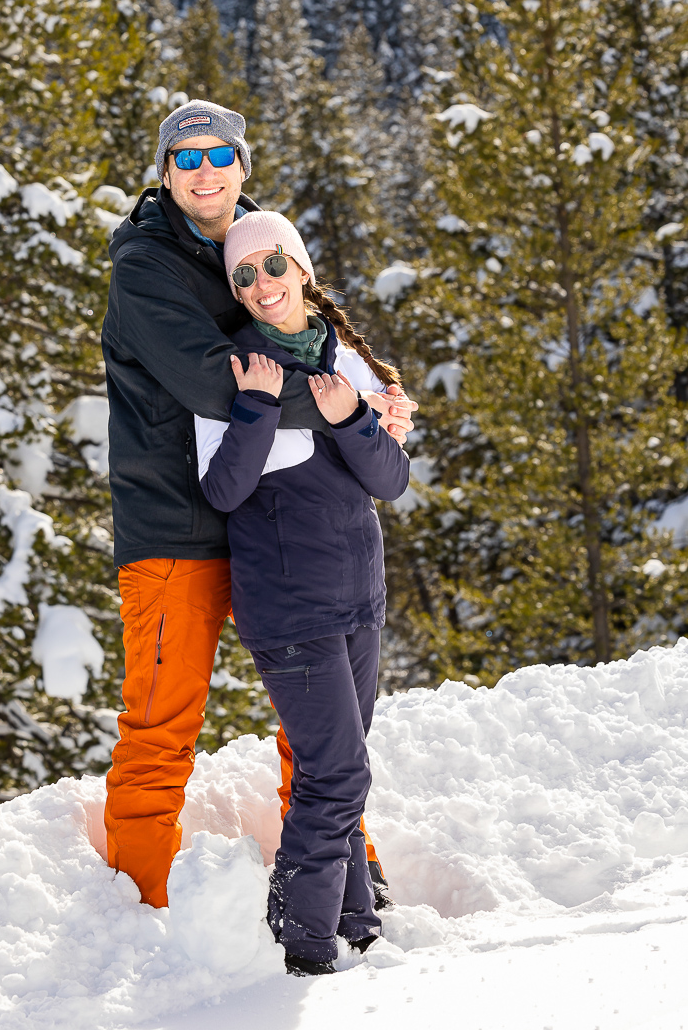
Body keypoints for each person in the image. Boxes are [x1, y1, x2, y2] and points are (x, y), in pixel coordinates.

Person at [101, 99, 415, 909]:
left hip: (274, 522)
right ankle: (138, 904)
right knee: (164, 722)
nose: (204, 171)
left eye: (218, 155)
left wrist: (376, 395)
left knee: (315, 716)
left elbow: (318, 334)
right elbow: (217, 386)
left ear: (242, 164)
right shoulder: (145, 262)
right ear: (165, 173)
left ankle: (347, 873)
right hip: (177, 523)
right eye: (186, 157)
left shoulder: (258, 242)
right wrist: (352, 406)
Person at [194, 210, 410, 976]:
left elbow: (389, 479)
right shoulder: (229, 369)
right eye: (244, 276)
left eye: (273, 267)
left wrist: (351, 416)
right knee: (335, 772)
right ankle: (304, 940)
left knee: (344, 761)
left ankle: (354, 921)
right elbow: (222, 489)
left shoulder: (341, 361)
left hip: (359, 598)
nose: (261, 285)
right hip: (289, 610)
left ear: (302, 270)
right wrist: (254, 405)